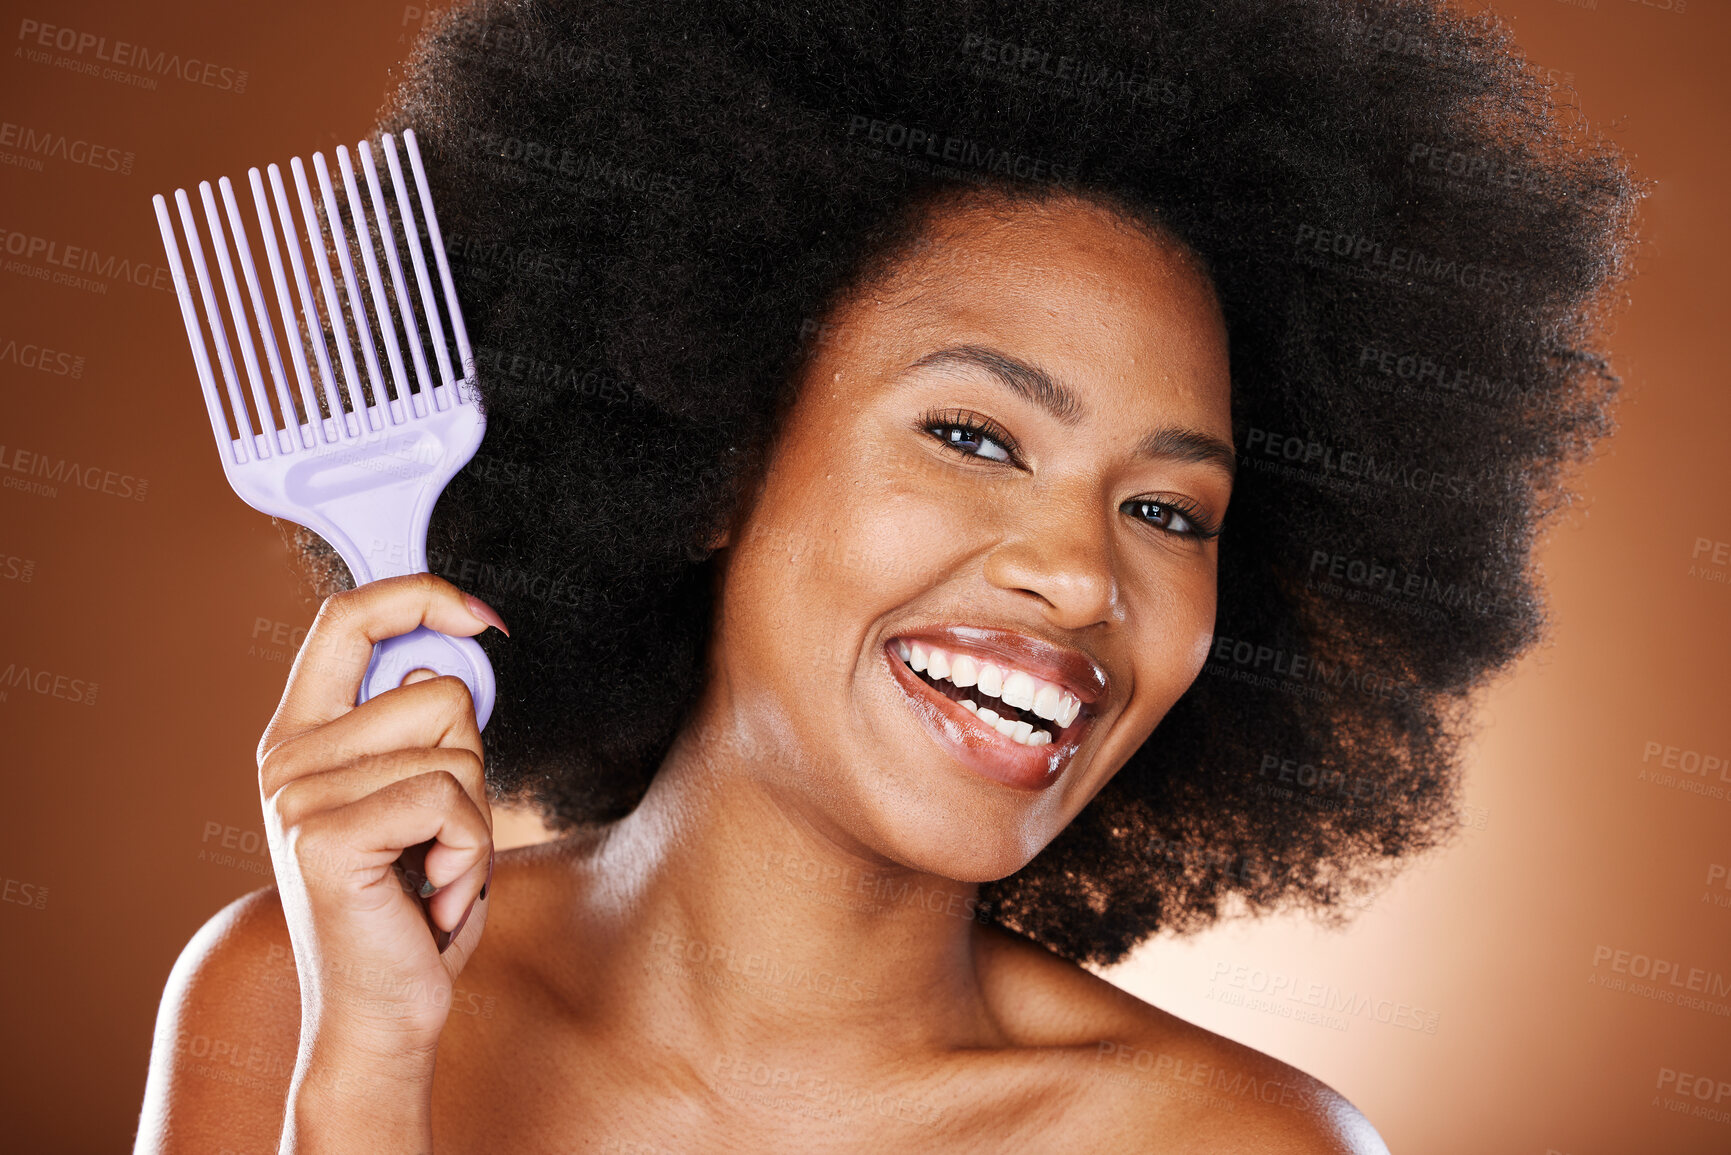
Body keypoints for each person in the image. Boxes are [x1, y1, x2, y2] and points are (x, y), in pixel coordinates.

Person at [134, 0, 1635, 1149]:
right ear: (714, 451)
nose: (1076, 575)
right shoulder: (293, 992)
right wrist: (369, 1070)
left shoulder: (1224, 1146)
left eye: (1171, 513)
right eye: (975, 433)